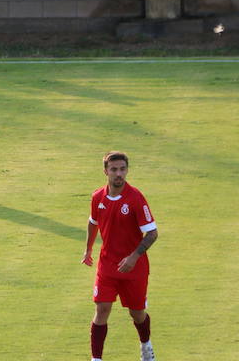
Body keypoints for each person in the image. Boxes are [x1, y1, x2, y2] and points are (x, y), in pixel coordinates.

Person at [82, 151, 159, 361]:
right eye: (114, 169)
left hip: (134, 268)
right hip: (108, 265)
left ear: (127, 170)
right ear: (105, 171)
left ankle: (146, 345)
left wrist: (133, 257)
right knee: (102, 309)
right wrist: (88, 249)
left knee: (137, 313)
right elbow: (93, 222)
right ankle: (96, 359)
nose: (119, 174)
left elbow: (152, 233)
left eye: (122, 169)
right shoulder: (98, 197)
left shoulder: (136, 198)